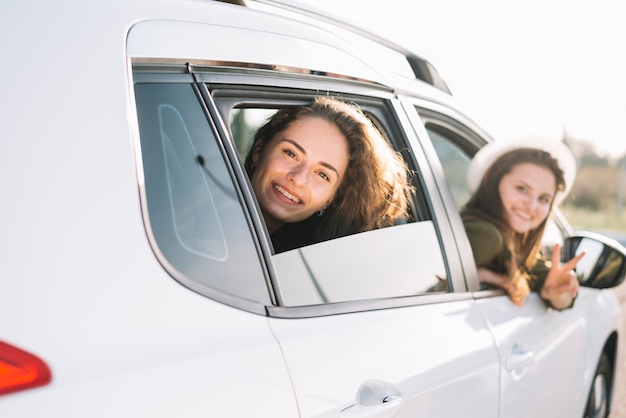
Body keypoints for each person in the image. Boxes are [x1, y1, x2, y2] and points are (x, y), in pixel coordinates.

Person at [244, 96, 413, 253]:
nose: (298, 178)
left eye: (322, 175)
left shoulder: (316, 263)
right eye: (291, 154)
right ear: (259, 151)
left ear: (330, 198)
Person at [461, 138, 585, 310]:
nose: (531, 206)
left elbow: (561, 299)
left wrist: (557, 292)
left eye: (543, 199)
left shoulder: (516, 244)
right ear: (491, 181)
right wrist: (483, 276)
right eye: (522, 189)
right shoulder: (488, 236)